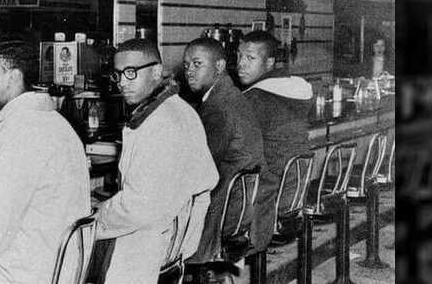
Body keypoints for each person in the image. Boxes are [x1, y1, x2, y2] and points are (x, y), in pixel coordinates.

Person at [0, 33, 91, 283]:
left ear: (12, 78)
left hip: (20, 275)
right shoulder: (49, 121)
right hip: (49, 270)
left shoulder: (22, 132)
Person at [94, 38, 219, 284]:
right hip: (174, 242)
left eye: (131, 73)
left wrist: (96, 217)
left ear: (155, 72)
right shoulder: (181, 110)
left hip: (144, 248)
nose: (122, 83)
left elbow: (136, 208)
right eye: (118, 75)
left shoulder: (160, 123)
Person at [181, 38, 265, 281]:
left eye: (198, 64)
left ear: (219, 66)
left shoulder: (220, 105)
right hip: (239, 207)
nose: (189, 71)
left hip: (223, 212)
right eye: (187, 65)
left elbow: (201, 165)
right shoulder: (226, 95)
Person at [236, 30, 312, 254]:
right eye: (239, 56)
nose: (241, 64)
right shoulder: (291, 90)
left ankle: (216, 270)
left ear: (269, 62)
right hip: (294, 193)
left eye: (250, 58)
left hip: (268, 200)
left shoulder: (255, 99)